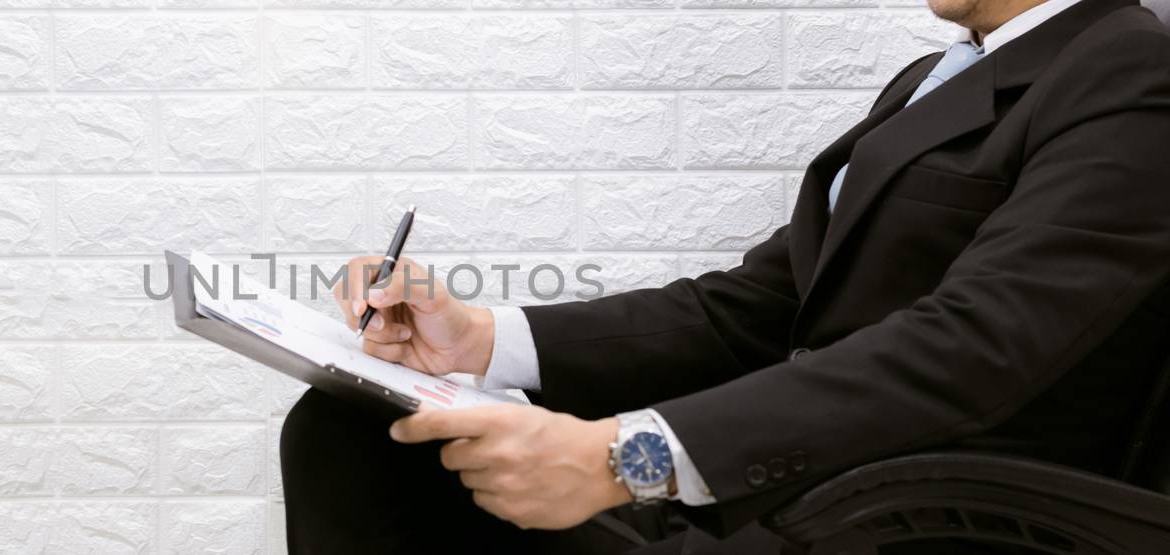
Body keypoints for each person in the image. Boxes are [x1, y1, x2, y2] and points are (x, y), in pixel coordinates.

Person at [278, 0, 1170, 552]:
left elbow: (976, 344)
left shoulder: (1128, 68)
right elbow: (756, 306)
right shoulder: (932, 80)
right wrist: (480, 340)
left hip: (910, 519)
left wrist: (627, 454)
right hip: (781, 492)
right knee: (351, 430)